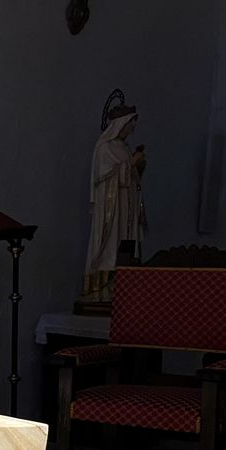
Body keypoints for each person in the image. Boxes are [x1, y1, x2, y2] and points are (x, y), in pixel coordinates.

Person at [84, 90, 146, 302]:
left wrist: (138, 166)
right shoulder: (105, 148)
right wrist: (131, 164)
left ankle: (121, 285)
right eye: (130, 124)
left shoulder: (123, 147)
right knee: (111, 244)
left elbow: (130, 178)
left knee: (125, 245)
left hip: (126, 206)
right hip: (111, 208)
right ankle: (102, 286)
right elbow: (105, 178)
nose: (132, 128)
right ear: (121, 124)